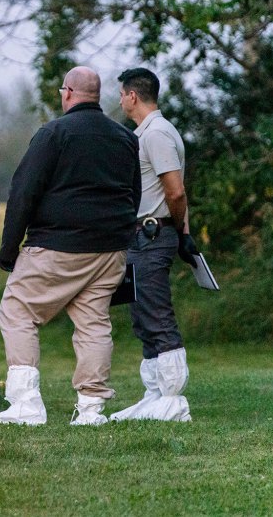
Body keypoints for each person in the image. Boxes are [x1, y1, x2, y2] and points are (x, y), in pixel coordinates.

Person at [0, 66, 140, 426]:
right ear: (97, 96)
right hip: (110, 249)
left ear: (67, 93)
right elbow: (135, 192)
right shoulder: (124, 138)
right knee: (93, 322)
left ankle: (25, 404)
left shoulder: (54, 134)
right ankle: (91, 408)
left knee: (18, 311)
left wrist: (9, 252)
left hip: (58, 245)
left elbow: (24, 192)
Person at [110, 68, 198, 422]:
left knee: (157, 314)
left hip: (153, 234)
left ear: (133, 96)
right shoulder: (144, 133)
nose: (119, 100)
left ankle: (174, 399)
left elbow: (175, 191)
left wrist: (181, 233)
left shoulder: (157, 133)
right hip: (141, 236)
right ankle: (155, 395)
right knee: (142, 315)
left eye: (121, 94)